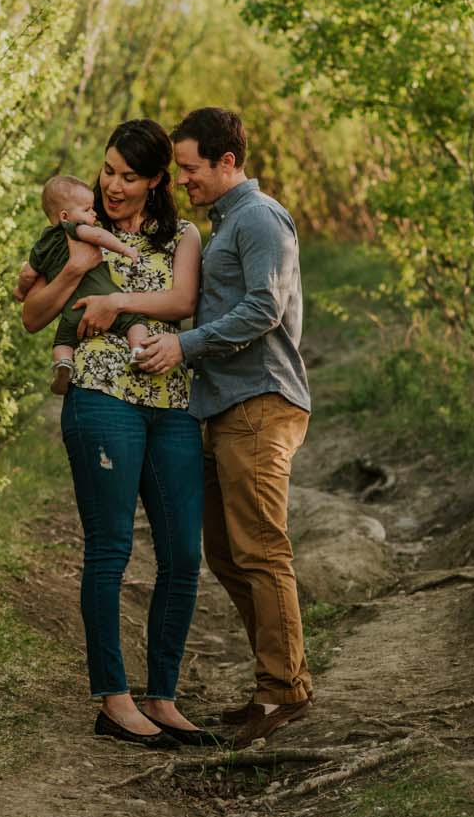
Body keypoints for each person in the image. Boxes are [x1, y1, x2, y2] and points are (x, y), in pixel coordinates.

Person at [17, 120, 218, 749]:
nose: (113, 185)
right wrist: (76, 272)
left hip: (171, 401)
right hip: (102, 398)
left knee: (184, 553)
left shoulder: (181, 234)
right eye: (108, 171)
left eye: (129, 176)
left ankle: (162, 696)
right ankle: (115, 700)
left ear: (157, 180)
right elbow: (32, 315)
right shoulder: (73, 230)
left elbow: (183, 300)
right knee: (110, 549)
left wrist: (115, 307)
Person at [133, 106, 313, 749]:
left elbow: (264, 308)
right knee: (226, 552)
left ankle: (283, 690)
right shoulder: (227, 224)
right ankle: (278, 681)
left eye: (190, 168)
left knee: (260, 548)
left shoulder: (260, 219)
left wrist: (186, 347)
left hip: (261, 402)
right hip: (223, 408)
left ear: (227, 161)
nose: (183, 180)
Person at [22, 174, 158, 395]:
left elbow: (28, 273)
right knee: (135, 320)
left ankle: (63, 364)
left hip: (72, 313)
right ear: (65, 216)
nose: (93, 213)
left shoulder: (42, 245)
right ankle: (137, 351)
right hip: (104, 299)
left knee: (62, 341)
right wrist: (125, 249)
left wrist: (19, 291)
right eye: (87, 210)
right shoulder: (76, 229)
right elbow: (100, 237)